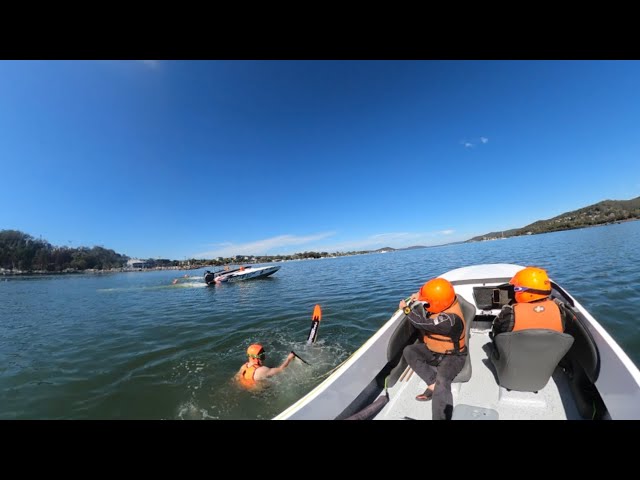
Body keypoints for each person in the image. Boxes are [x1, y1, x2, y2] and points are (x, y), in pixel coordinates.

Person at [399, 277, 467, 420]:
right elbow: (435, 300)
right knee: (409, 351)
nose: (426, 303)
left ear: (438, 302)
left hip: (453, 356)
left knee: (442, 382)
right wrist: (419, 296)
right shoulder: (446, 301)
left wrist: (406, 309)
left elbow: (420, 322)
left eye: (428, 301)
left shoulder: (449, 321)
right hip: (434, 350)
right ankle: (431, 383)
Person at [491, 266, 566, 341]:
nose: (514, 292)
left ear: (523, 291)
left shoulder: (510, 313)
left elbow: (496, 332)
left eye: (516, 288)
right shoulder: (559, 309)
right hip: (552, 351)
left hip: (516, 351)